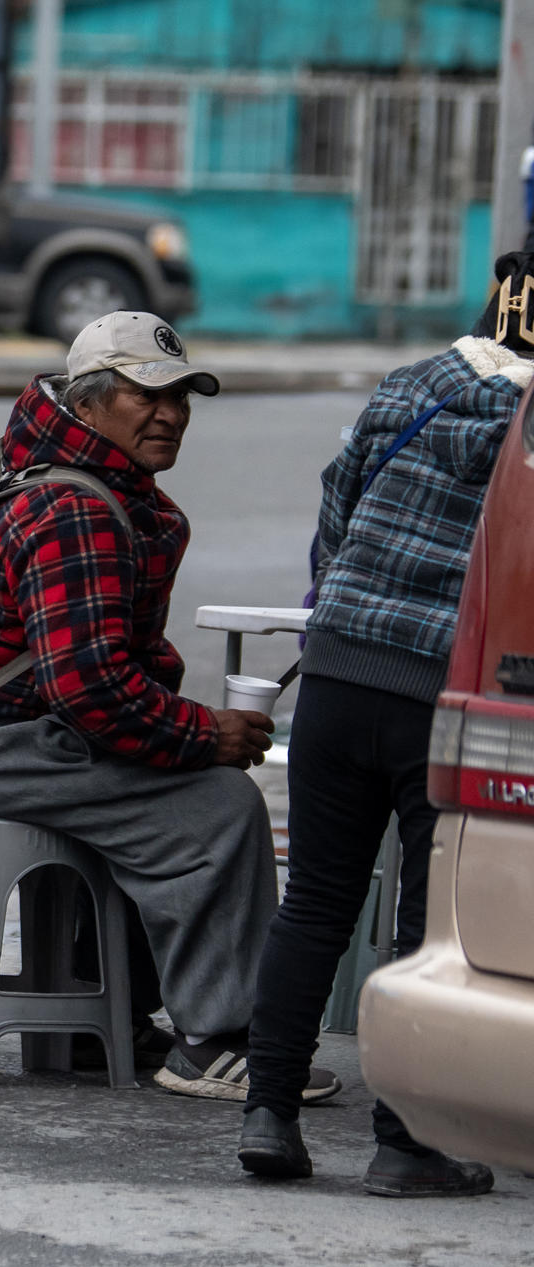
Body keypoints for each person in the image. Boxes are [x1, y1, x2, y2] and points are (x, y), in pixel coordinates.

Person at [0, 311, 340, 1103]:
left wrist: (176, 731)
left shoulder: (89, 486)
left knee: (173, 791)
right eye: (146, 396)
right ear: (86, 406)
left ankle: (99, 1014)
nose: (171, 414)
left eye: (182, 397)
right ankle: (217, 1040)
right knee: (220, 807)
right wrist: (202, 734)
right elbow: (89, 691)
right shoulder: (74, 508)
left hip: (21, 734)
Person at [236, 255, 534, 1195]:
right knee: (427, 922)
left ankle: (269, 1112)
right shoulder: (530, 426)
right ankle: (406, 1141)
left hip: (336, 673)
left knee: (317, 900)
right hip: (442, 699)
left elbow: (336, 520)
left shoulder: (412, 386)